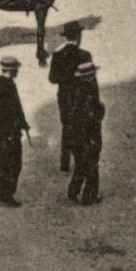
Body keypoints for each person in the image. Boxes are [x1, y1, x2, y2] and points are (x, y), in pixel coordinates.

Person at [0, 55, 32, 206]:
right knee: (14, 163)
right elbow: (13, 109)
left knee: (3, 161)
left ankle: (1, 193)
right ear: (13, 70)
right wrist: (20, 123)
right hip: (10, 131)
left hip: (0, 130)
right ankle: (7, 195)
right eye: (16, 69)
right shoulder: (8, 85)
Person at [47, 20, 93, 172]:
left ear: (65, 37)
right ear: (79, 36)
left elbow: (52, 79)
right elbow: (90, 80)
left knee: (66, 125)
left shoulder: (58, 55)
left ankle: (64, 161)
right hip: (81, 96)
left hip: (64, 96)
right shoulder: (85, 55)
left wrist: (66, 77)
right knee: (81, 126)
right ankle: (80, 158)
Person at [66, 62, 104, 205]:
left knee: (81, 164)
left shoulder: (77, 88)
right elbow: (92, 116)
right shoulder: (88, 91)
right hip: (88, 134)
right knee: (92, 165)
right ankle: (89, 196)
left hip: (76, 135)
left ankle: (73, 191)